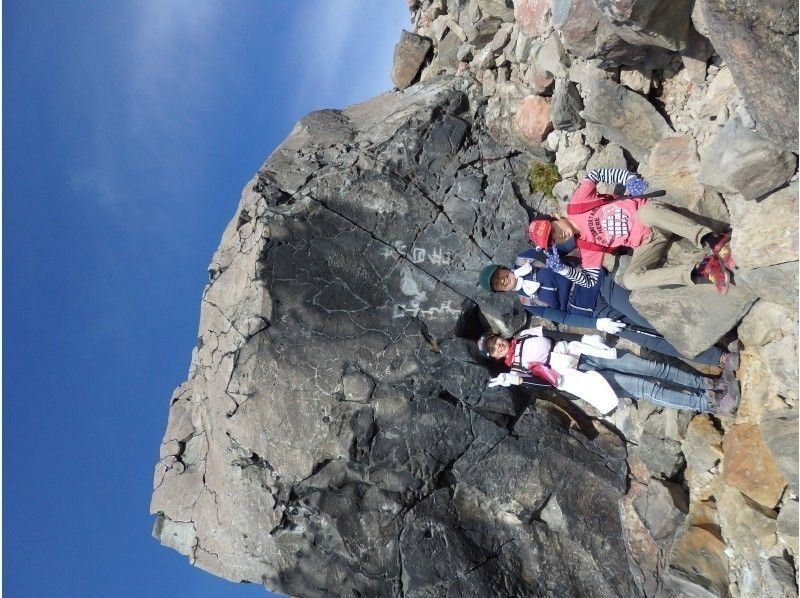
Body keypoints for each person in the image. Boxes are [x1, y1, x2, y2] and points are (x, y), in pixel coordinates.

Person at [478, 249, 732, 367]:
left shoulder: (528, 257)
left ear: (503, 268)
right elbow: (565, 316)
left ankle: (715, 331)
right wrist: (597, 324)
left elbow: (564, 249)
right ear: (502, 291)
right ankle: (716, 357)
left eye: (499, 275)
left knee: (648, 318)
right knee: (652, 340)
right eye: (498, 286)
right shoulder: (529, 303)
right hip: (598, 314)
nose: (502, 281)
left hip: (600, 285)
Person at [527, 168, 735, 294]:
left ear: (554, 217)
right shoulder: (586, 247)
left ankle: (712, 239)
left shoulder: (577, 205)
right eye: (553, 240)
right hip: (648, 242)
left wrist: (628, 179)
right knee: (630, 279)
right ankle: (702, 269)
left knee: (645, 214)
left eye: (553, 230)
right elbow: (590, 281)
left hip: (650, 213)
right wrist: (564, 270)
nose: (558, 236)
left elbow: (595, 174)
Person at [478, 327, 740, 417]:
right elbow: (547, 387)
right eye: (493, 349)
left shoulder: (524, 336)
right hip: (580, 377)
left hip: (584, 351)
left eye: (495, 341)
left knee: (652, 367)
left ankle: (711, 383)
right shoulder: (514, 371)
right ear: (494, 356)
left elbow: (556, 335)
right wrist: (517, 380)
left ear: (498, 336)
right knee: (647, 388)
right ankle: (710, 404)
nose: (498, 346)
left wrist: (589, 337)